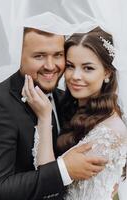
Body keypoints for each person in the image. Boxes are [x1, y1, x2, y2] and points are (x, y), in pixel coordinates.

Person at [0, 15, 107, 199]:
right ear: (18, 56)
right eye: (39, 56)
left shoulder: (66, 98)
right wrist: (64, 169)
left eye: (58, 55)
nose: (50, 66)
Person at [28, 27, 127, 200]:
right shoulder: (76, 108)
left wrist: (44, 118)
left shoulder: (109, 133)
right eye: (70, 66)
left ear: (107, 72)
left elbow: (48, 181)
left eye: (87, 68)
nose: (75, 76)